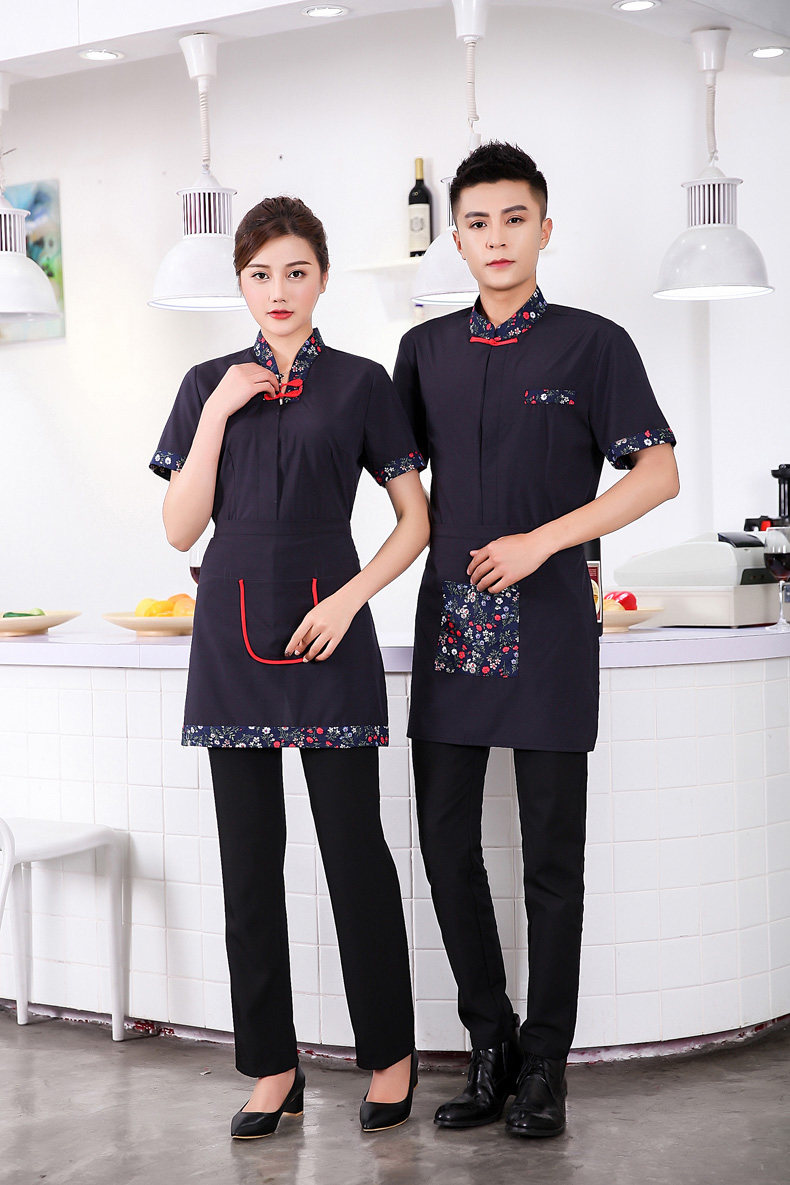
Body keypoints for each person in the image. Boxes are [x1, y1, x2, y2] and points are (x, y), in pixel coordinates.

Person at [393, 142, 679, 1139]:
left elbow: (657, 474)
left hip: (552, 617)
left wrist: (541, 540)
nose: (497, 238)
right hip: (454, 618)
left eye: (514, 219)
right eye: (477, 222)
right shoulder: (423, 351)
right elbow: (396, 486)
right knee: (445, 845)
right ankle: (492, 1044)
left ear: (544, 229)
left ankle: (546, 1065)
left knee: (553, 859)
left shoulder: (594, 345)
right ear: (456, 237)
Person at [150, 195, 429, 1138]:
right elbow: (180, 528)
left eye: (296, 272)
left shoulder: (360, 383)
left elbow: (416, 520)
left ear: (322, 278)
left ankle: (391, 1055)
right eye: (261, 274)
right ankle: (273, 1067)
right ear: (240, 283)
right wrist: (219, 412)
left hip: (328, 632)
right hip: (230, 640)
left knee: (355, 856)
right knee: (248, 866)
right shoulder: (204, 384)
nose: (279, 290)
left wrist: (350, 599)